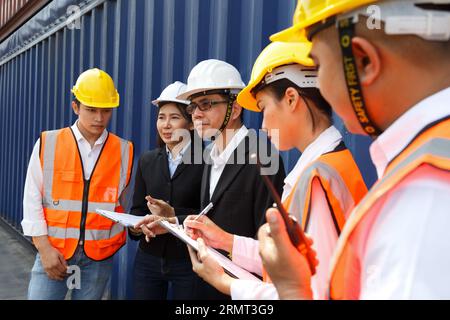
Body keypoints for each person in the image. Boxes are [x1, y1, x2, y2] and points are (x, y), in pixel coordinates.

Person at [259, 0, 450, 299]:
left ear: (363, 60)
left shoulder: (423, 200)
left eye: (319, 66)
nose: (319, 84)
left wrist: (292, 289)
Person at [184, 41, 367, 299]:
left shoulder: (318, 181)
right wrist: (225, 239)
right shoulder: (325, 167)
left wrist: (227, 283)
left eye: (263, 108)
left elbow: (308, 293)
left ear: (291, 99)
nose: (264, 123)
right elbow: (291, 263)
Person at [158, 59, 286, 300]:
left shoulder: (263, 158)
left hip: (244, 292)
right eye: (193, 106)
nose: (196, 114)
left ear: (235, 109)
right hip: (209, 285)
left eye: (205, 104)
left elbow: (269, 244)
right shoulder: (209, 155)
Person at [22, 68, 134, 300]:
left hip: (98, 258)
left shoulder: (124, 150)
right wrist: (44, 249)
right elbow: (31, 199)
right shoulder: (49, 142)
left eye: (105, 111)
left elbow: (124, 207)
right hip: (55, 253)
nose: (99, 118)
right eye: (91, 110)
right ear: (75, 107)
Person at [128, 81, 204, 299]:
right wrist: (137, 227)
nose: (166, 125)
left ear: (190, 124)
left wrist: (172, 216)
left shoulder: (208, 161)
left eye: (174, 117)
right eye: (161, 117)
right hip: (148, 259)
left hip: (188, 261)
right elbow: (137, 210)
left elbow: (207, 215)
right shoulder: (147, 160)